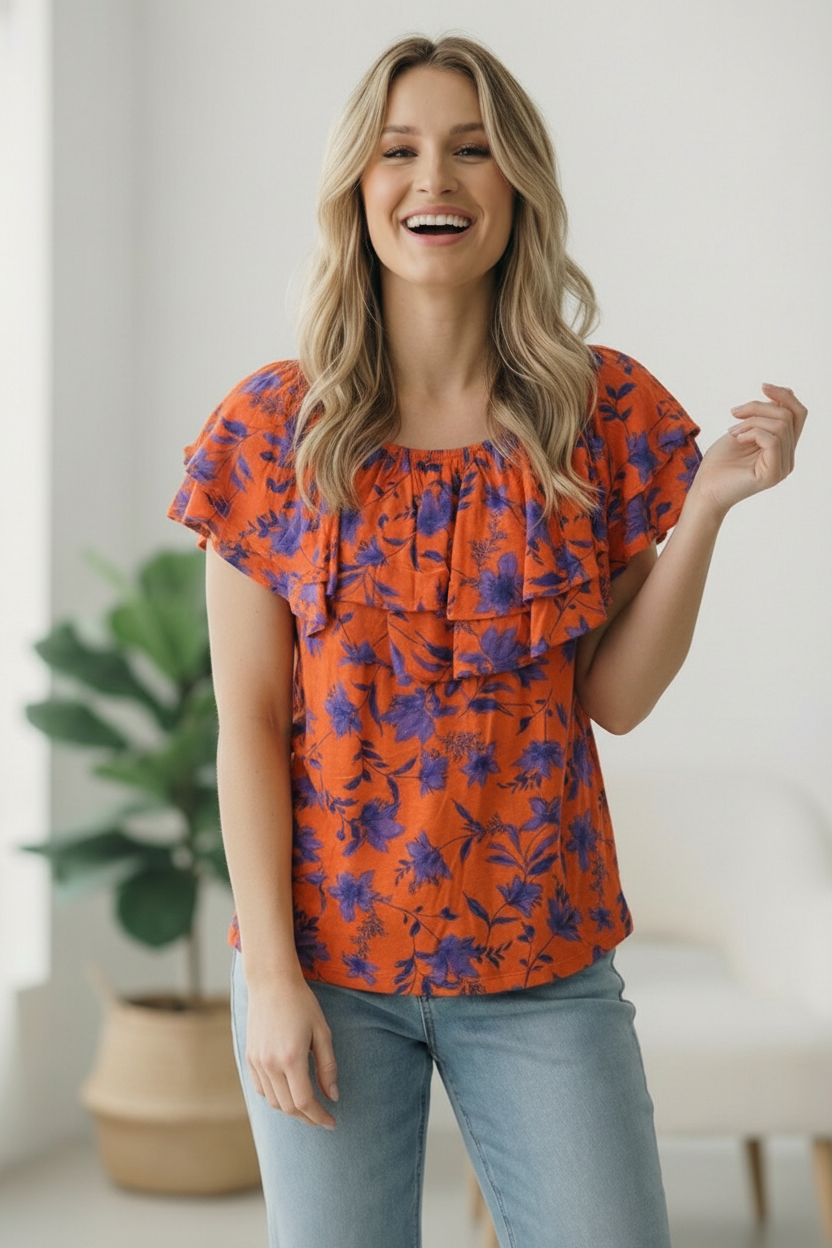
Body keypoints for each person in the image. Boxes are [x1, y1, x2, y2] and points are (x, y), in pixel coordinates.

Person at [168, 33, 806, 1248]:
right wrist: (268, 981)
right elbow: (246, 727)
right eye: (399, 150)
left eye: (473, 150)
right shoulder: (269, 432)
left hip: (544, 968)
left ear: (518, 186)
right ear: (356, 187)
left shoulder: (604, 416)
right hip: (327, 969)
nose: (434, 181)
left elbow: (612, 698)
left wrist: (707, 511)